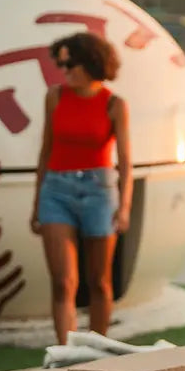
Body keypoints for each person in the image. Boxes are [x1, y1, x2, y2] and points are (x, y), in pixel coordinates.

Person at [30, 32, 132, 344]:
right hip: (56, 191)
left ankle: (96, 351)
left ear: (90, 62)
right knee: (63, 282)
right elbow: (46, 150)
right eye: (59, 63)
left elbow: (126, 162)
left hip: (99, 192)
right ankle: (65, 355)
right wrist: (37, 204)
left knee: (99, 281)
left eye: (69, 62)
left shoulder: (114, 104)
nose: (63, 69)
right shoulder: (55, 97)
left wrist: (124, 207)